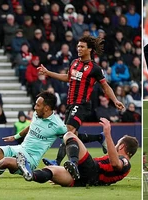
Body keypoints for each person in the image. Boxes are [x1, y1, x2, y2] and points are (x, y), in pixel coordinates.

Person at [38, 36, 125, 166]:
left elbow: (105, 86)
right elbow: (67, 78)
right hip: (70, 103)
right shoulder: (74, 62)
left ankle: (57, 161)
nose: (79, 48)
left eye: (82, 46)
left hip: (82, 104)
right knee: (74, 136)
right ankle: (99, 137)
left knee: (67, 131)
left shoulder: (95, 68)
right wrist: (48, 72)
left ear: (89, 49)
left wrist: (115, 100)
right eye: (78, 46)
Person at [16, 118, 139, 187]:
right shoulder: (124, 164)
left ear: (122, 146)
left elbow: (115, 164)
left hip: (91, 170)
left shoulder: (125, 162)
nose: (115, 145)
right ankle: (31, 175)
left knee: (69, 135)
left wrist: (107, 134)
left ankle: (73, 163)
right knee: (51, 171)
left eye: (117, 143)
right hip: (83, 180)